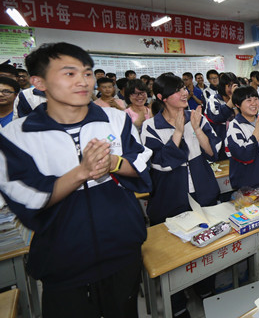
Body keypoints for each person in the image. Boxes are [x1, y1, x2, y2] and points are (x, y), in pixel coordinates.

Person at [0, 42, 152, 318]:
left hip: (122, 249)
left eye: (87, 73)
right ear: (39, 82)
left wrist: (114, 163)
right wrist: (80, 172)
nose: (83, 81)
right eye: (69, 73)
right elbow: (27, 199)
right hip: (63, 260)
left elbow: (140, 166)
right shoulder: (17, 136)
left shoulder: (115, 119)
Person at [141, 73, 221, 225]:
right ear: (162, 97)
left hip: (203, 191)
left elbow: (213, 152)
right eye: (178, 91)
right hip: (171, 197)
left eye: (184, 88)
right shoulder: (151, 126)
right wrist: (178, 132)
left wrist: (197, 129)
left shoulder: (196, 117)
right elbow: (161, 163)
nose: (185, 93)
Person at [206, 72, 239, 160]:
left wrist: (234, 100)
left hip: (236, 141)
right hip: (220, 143)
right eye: (229, 85)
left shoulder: (239, 99)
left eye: (234, 85)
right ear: (222, 86)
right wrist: (232, 99)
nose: (231, 89)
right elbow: (217, 117)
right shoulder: (213, 99)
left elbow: (241, 118)